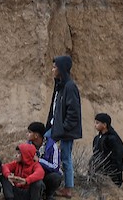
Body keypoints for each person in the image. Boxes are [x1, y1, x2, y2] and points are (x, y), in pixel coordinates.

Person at [46, 54, 82, 195]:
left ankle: (68, 188)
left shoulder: (70, 86)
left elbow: (73, 112)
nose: (52, 70)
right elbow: (54, 109)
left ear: (61, 68)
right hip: (56, 128)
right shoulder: (60, 85)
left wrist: (64, 128)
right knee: (43, 146)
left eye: (55, 67)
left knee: (66, 158)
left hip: (65, 130)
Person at [27, 122, 63, 196]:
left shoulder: (52, 146)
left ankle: (49, 194)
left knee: (56, 177)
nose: (27, 134)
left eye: (30, 132)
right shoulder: (28, 145)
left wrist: (40, 161)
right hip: (34, 175)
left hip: (47, 175)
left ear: (36, 135)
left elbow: (56, 167)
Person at [90, 113, 123, 187]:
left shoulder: (113, 139)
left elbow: (118, 155)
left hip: (112, 172)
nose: (95, 125)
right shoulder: (97, 138)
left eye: (97, 123)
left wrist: (113, 168)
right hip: (98, 170)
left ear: (104, 125)